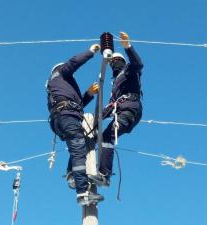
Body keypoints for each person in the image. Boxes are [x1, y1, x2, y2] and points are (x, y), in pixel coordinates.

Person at [46, 44, 104, 205]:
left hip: (62, 118)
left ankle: (72, 173)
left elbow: (76, 105)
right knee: (79, 149)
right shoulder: (60, 74)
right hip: (67, 117)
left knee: (79, 145)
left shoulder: (58, 89)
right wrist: (91, 52)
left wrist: (88, 94)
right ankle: (83, 193)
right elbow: (73, 63)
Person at [89, 32, 144, 186]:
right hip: (122, 109)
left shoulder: (129, 72)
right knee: (99, 136)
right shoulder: (115, 85)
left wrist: (128, 47)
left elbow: (138, 64)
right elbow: (109, 108)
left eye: (117, 61)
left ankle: (105, 174)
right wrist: (91, 124)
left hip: (130, 110)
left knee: (107, 135)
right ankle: (95, 169)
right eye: (112, 62)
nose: (114, 63)